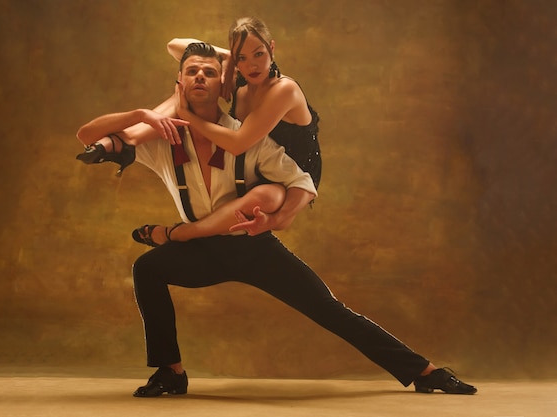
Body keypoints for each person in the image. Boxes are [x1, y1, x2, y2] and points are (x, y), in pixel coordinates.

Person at [78, 42, 477, 397]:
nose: (200, 76)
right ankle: (171, 373)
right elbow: (86, 135)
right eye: (192, 71)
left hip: (251, 245)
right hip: (200, 251)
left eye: (210, 71)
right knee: (148, 268)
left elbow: (300, 181)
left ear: (223, 86)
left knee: (328, 308)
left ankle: (425, 372)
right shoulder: (161, 139)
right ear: (180, 83)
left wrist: (277, 220)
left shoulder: (246, 136)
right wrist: (140, 114)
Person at [77, 17, 321, 246]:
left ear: (272, 48)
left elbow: (237, 144)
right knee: (192, 86)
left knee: (190, 98)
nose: (252, 65)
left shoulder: (284, 89)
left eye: (259, 53)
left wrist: (187, 116)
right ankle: (130, 139)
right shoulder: (241, 77)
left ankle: (178, 233)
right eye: (243, 58)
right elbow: (174, 46)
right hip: (254, 165)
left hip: (293, 169)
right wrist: (225, 58)